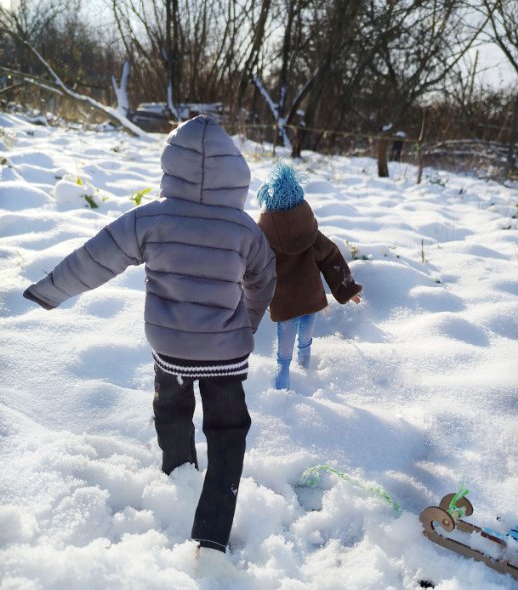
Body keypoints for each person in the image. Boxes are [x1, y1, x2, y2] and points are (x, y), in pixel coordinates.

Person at [23, 115, 276, 561]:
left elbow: (96, 257)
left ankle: (178, 480)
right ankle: (212, 536)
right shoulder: (244, 230)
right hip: (226, 353)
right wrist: (248, 322)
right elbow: (264, 279)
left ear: (172, 165)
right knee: (228, 431)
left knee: (172, 411)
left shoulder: (151, 219)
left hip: (171, 349)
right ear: (234, 172)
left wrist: (49, 291)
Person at [256, 162, 362, 390]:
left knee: (284, 348)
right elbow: (331, 256)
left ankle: (283, 381)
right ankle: (305, 366)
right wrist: (347, 288)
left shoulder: (263, 237)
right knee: (305, 338)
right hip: (310, 298)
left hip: (284, 303)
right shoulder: (310, 231)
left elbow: (253, 266)